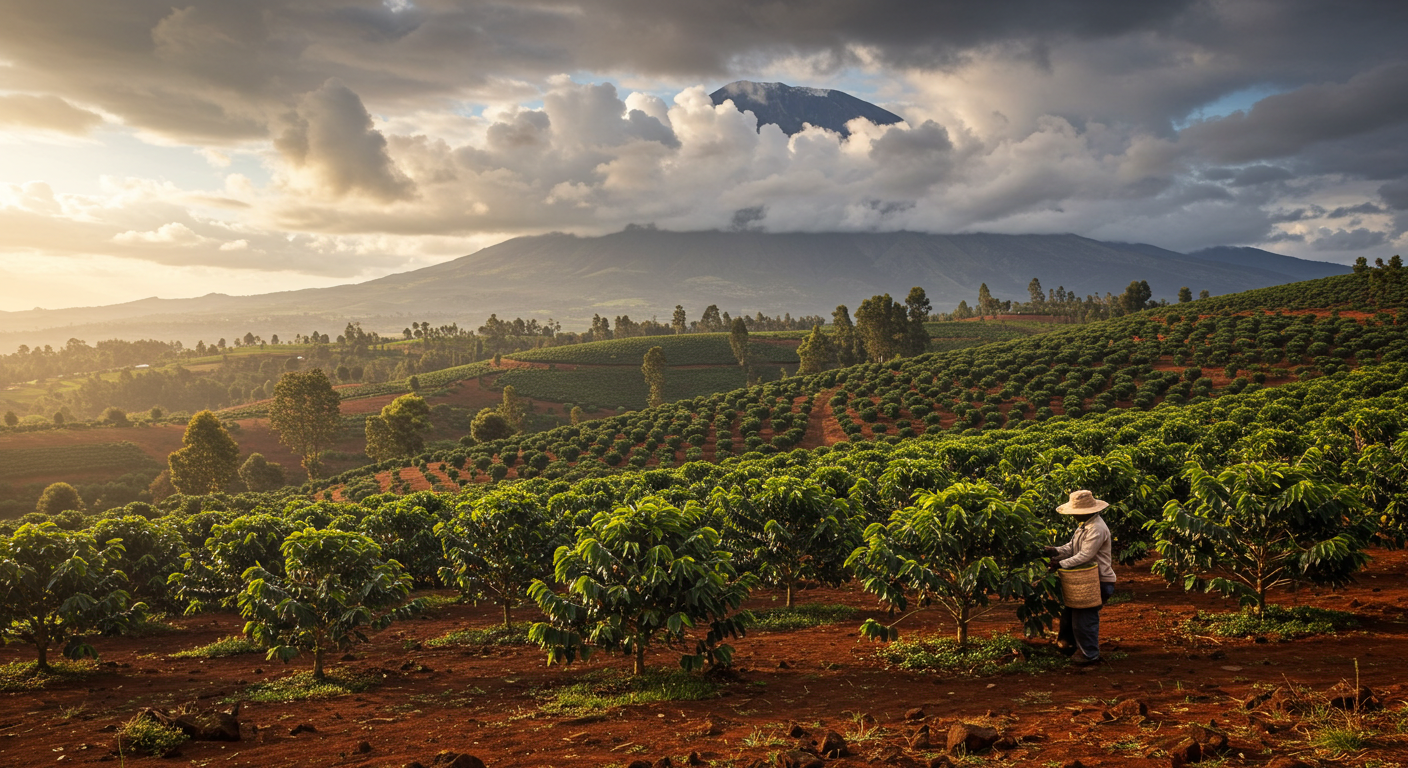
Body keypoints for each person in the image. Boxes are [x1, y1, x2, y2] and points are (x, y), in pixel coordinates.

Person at [1044, 489, 1115, 666]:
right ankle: (1069, 647)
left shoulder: (1096, 528)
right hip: (1084, 580)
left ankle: (1090, 655)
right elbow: (1071, 547)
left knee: (1084, 619)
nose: (1073, 515)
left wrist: (1060, 564)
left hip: (1097, 581)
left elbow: (1085, 555)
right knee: (1070, 615)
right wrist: (1055, 551)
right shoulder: (1085, 525)